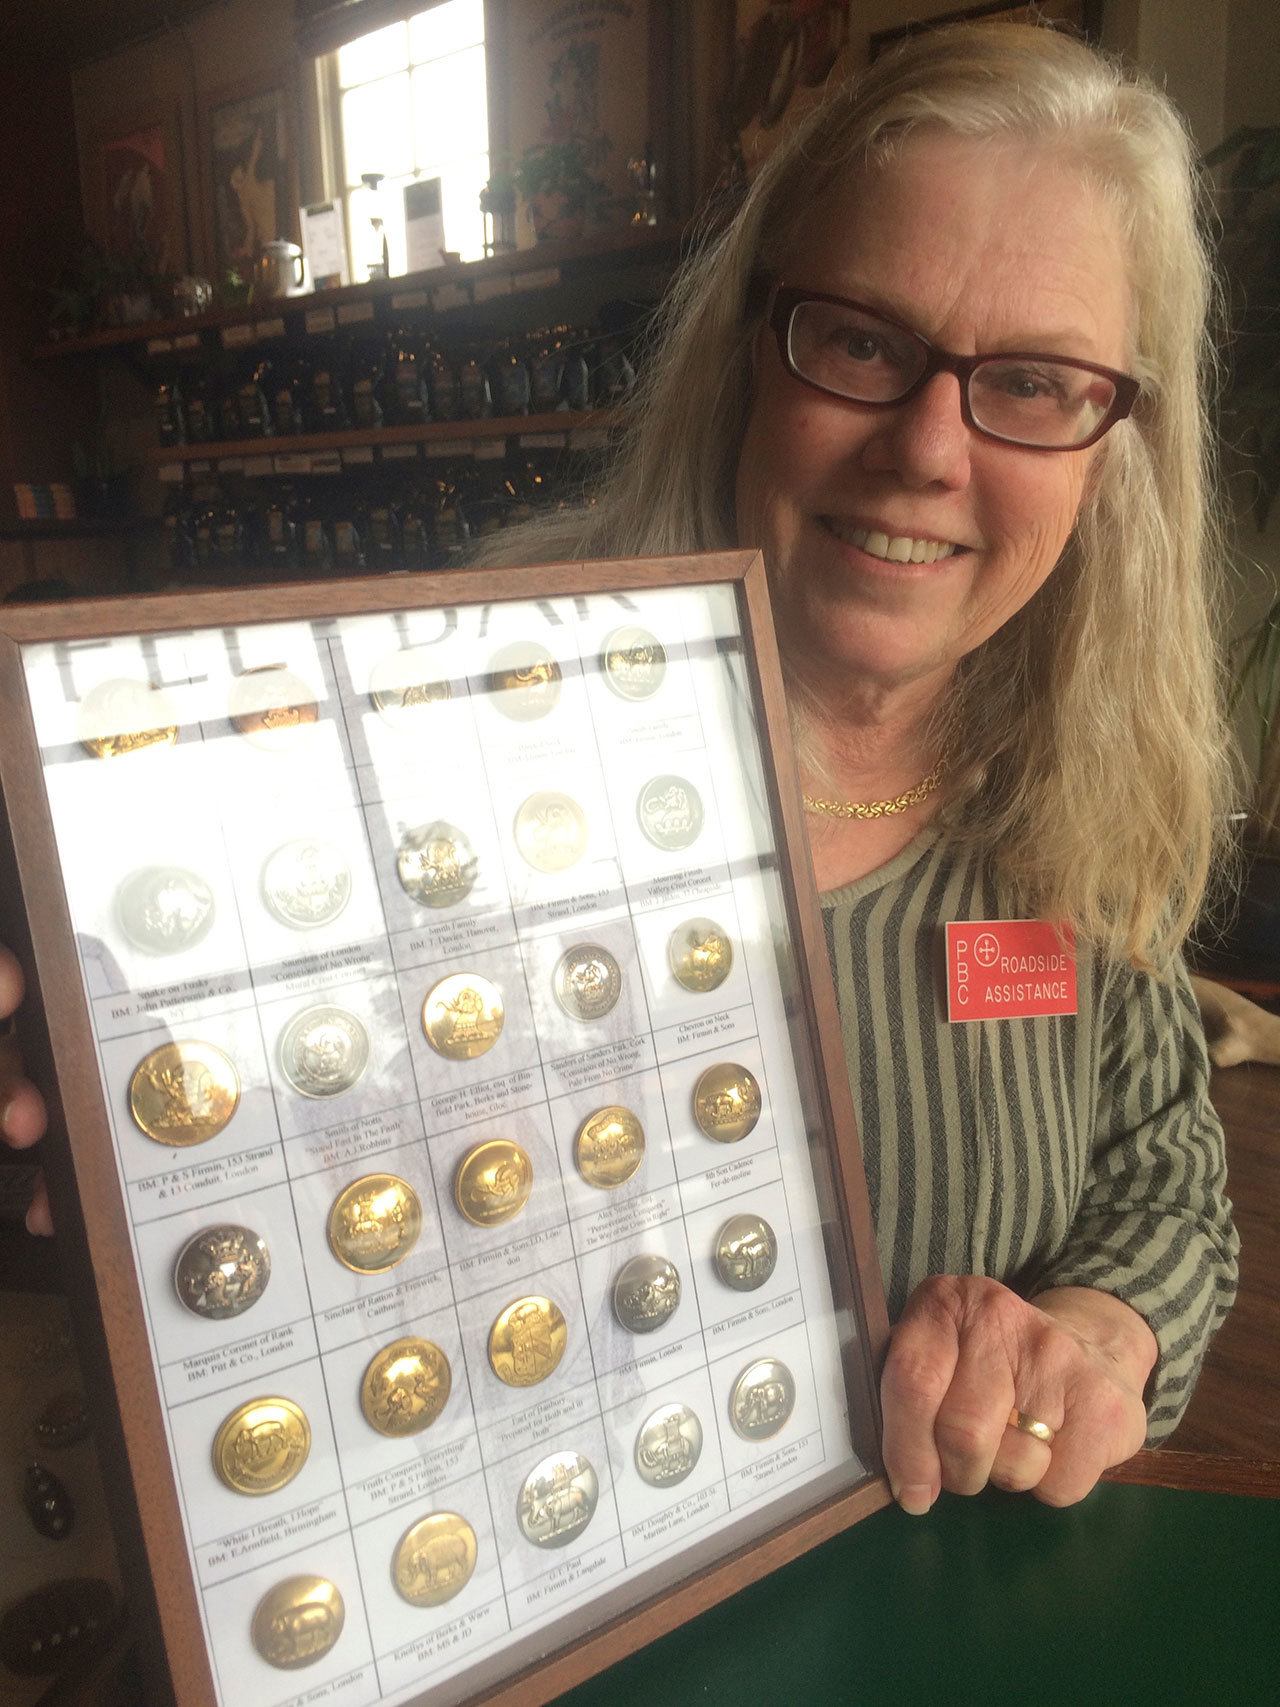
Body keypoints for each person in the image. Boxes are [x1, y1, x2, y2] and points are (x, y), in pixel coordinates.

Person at [0, 22, 1240, 1514]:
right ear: (749, 351)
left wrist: (1095, 1334)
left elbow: (1164, 1165)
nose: (926, 448)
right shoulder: (437, 748)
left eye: (1034, 382)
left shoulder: (1076, 788)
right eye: (862, 342)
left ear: (1115, 444)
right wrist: (149, 1087)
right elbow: (265, 1117)